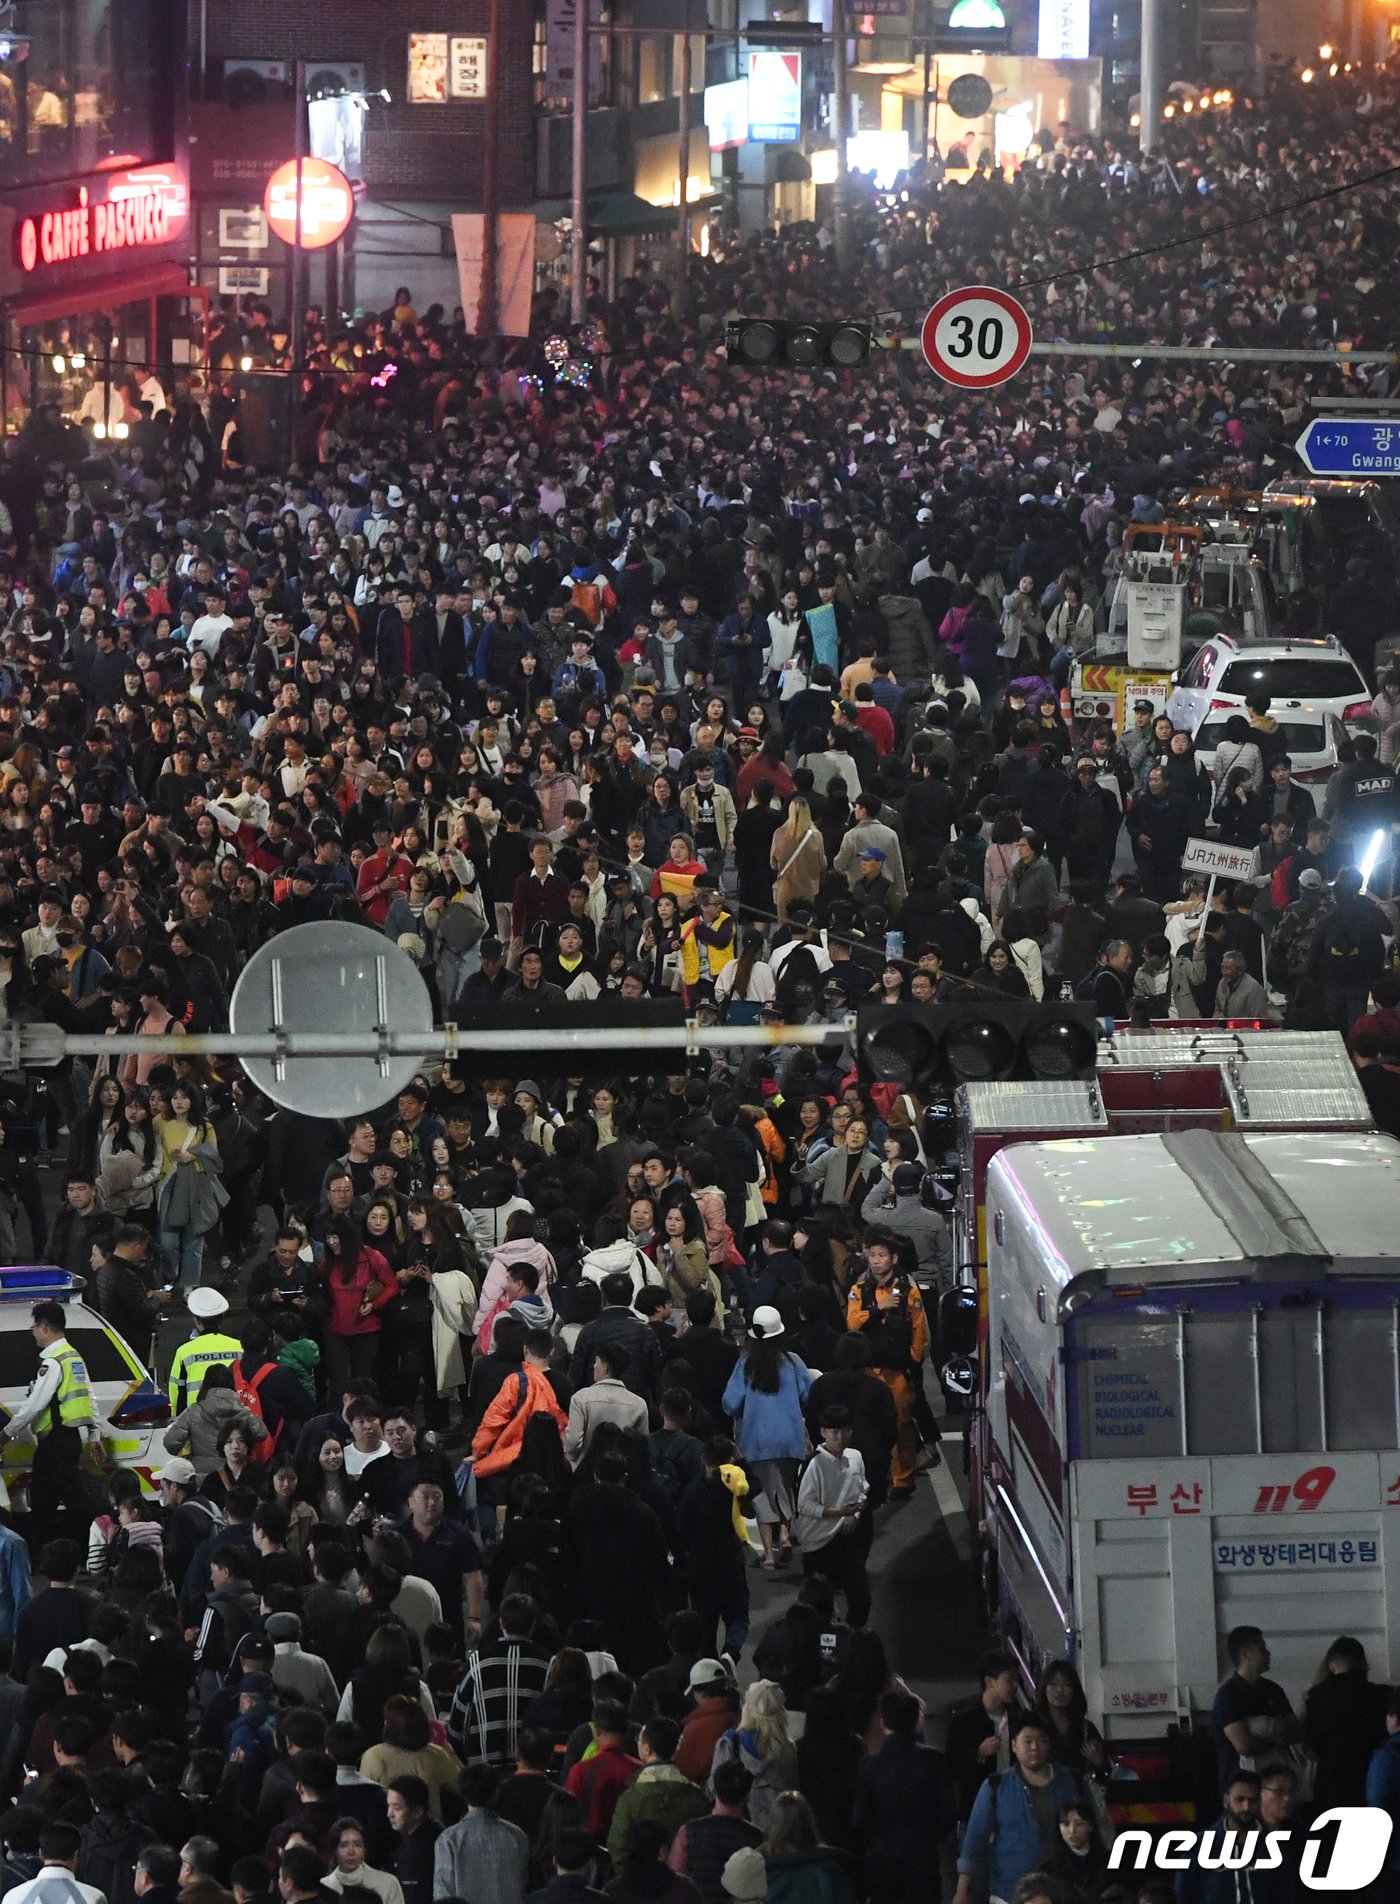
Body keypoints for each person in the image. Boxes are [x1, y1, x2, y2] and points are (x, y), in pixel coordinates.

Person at [952, 1715, 1082, 1904]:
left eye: (1041, 1740)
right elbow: (975, 1839)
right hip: (1009, 1893)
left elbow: (1097, 1831)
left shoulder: (1071, 1782)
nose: (1034, 1747)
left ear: (1049, 1744)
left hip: (1062, 1892)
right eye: (1027, 1741)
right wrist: (961, 1891)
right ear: (1014, 1745)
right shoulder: (996, 1786)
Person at [0, 1300, 98, 1539]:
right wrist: (94, 1435)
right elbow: (89, 1396)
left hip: (55, 1441)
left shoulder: (53, 1362)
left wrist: (5, 1434)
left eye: (34, 1327)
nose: (33, 1332)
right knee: (48, 1499)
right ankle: (48, 1547)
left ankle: (101, 1536)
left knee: (65, 1499)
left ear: (44, 1327)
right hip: (68, 1439)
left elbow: (35, 1404)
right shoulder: (73, 1357)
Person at [722, 1309, 812, 1570]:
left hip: (756, 1439)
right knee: (784, 1486)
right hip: (789, 1438)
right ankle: (784, 1534)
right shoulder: (793, 1361)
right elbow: (807, 1395)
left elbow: (730, 1403)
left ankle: (769, 1555)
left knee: (760, 1493)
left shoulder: (745, 1364)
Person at [850, 1689, 956, 1904]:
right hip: (923, 1857)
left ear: (883, 1722)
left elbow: (860, 1819)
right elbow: (948, 1812)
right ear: (916, 1720)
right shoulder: (934, 1760)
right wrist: (928, 1836)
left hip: (883, 1860)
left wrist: (877, 1842)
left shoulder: (869, 1766)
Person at [845, 1235, 928, 1498]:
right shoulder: (859, 1289)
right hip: (868, 1371)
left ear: (894, 1258)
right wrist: (878, 1308)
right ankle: (874, 1476)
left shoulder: (908, 1291)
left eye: (881, 1255)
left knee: (902, 1425)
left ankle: (903, 1479)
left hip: (897, 1371)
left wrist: (913, 1362)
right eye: (872, 1255)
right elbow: (852, 1323)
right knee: (868, 1425)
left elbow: (919, 1330)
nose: (876, 1261)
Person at [791, 1407, 870, 1629]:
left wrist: (854, 1514)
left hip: (847, 1539)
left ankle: (846, 1638)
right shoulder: (814, 1464)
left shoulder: (855, 1457)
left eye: (844, 1430)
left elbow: (862, 1491)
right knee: (817, 1608)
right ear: (823, 1432)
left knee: (862, 1600)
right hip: (818, 1543)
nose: (840, 1436)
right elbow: (804, 1505)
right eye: (834, 1431)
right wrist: (838, 1513)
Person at [1210, 1625, 1298, 1792]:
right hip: (1241, 1785)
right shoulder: (1228, 1695)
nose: (1268, 1653)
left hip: (1275, 1786)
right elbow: (1244, 1745)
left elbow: (1296, 1731)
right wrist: (1277, 1738)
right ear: (1246, 1655)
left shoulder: (1273, 1690)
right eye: (1262, 1648)